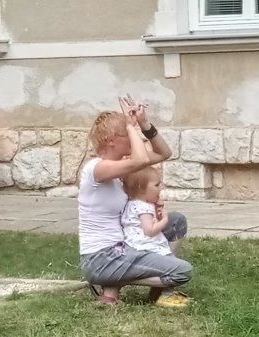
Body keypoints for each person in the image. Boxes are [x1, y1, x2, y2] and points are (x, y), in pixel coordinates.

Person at [79, 97, 193, 306]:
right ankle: (118, 282)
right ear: (110, 140)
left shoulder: (122, 167)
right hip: (101, 258)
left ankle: (120, 286)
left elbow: (164, 153)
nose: (134, 139)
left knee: (175, 221)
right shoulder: (96, 168)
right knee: (182, 271)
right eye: (128, 134)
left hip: (123, 247)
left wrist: (144, 124)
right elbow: (140, 160)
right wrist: (131, 125)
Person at [119, 167, 189, 308]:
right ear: (141, 188)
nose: (161, 187)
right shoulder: (143, 208)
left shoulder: (132, 204)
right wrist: (164, 220)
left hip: (134, 245)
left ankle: (158, 292)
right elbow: (150, 231)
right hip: (147, 246)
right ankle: (166, 294)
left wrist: (156, 211)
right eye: (156, 185)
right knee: (171, 264)